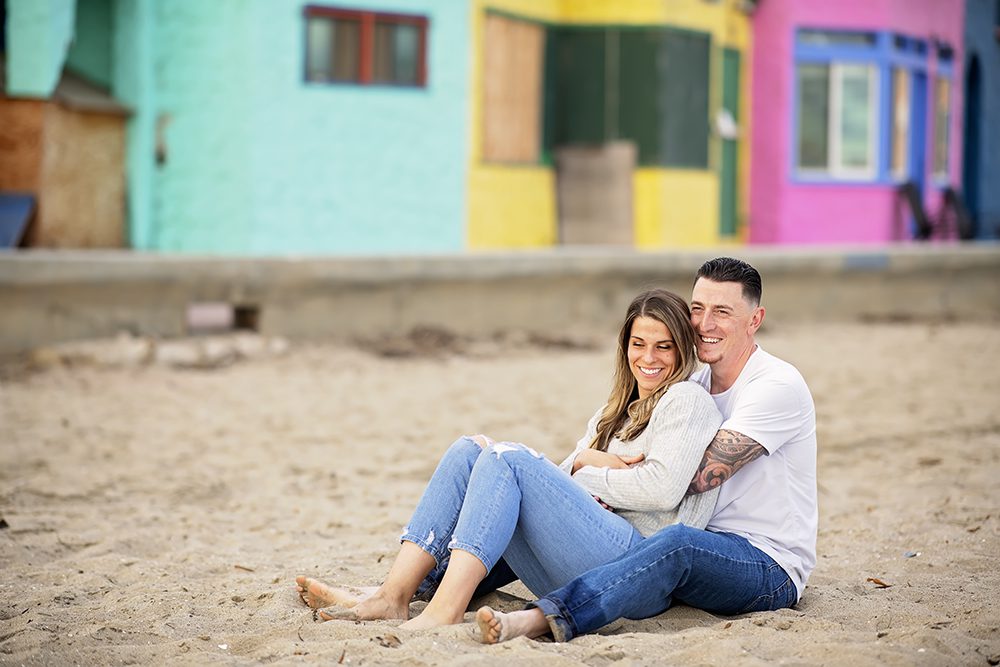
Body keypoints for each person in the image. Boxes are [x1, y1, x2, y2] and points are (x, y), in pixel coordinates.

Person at [295, 289, 724, 630]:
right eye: (638, 344)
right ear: (624, 346)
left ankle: (445, 608)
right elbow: (562, 479)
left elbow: (662, 490)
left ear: (682, 350)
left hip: (636, 568)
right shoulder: (615, 411)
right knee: (470, 450)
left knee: (509, 459)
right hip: (580, 557)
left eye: (663, 347)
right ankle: (393, 595)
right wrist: (581, 463)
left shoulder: (686, 399)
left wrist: (587, 470)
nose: (648, 358)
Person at [475, 257, 817, 644]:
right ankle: (441, 581)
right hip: (693, 543)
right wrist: (584, 482)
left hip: (765, 563)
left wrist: (592, 474)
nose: (705, 324)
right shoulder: (693, 381)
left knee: (677, 543)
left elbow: (687, 479)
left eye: (722, 312)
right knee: (539, 512)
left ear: (755, 319)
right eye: (698, 309)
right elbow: (633, 461)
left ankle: (545, 618)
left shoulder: (774, 385)